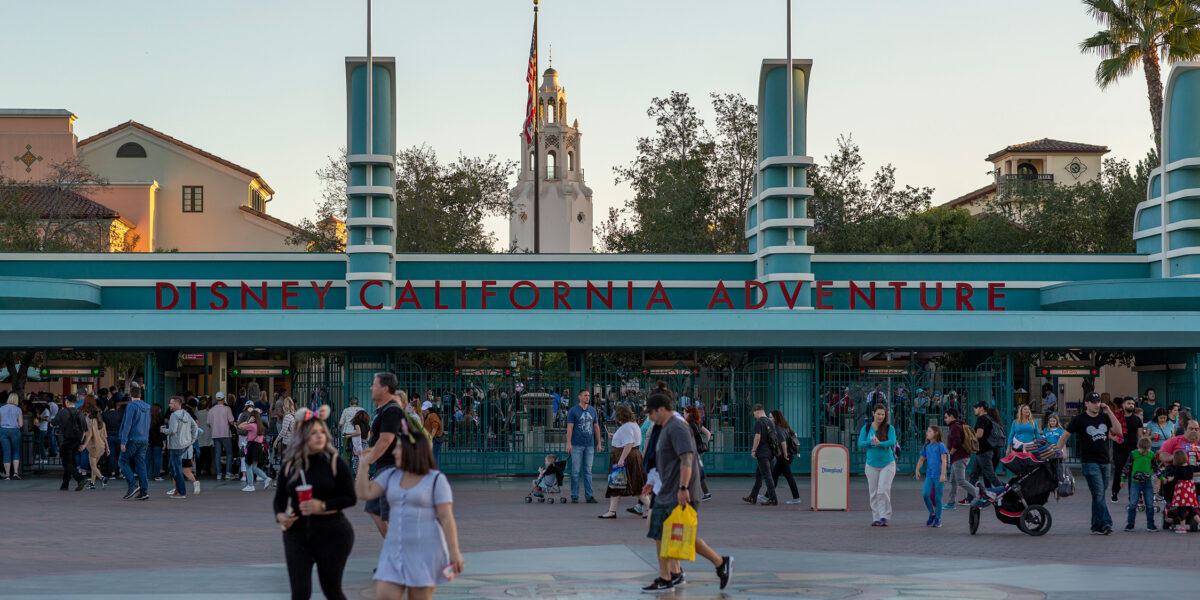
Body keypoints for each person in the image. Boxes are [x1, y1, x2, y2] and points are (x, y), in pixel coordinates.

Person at [355, 410, 464, 600]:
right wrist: (363, 466)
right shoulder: (390, 475)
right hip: (395, 547)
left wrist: (454, 552)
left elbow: (446, 518)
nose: (394, 452)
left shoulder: (435, 480)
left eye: (398, 448)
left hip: (425, 549)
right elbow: (364, 493)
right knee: (385, 595)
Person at [639, 382, 731, 593]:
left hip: (679, 491)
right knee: (661, 532)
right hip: (667, 489)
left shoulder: (677, 426)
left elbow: (687, 458)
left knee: (675, 534)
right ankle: (668, 576)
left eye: (651, 413)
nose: (649, 417)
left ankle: (718, 563)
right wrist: (653, 481)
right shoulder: (664, 427)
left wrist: (683, 488)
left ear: (661, 409)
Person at [275, 407, 357, 600]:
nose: (319, 436)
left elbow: (350, 497)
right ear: (303, 437)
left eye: (321, 432)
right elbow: (279, 501)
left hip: (332, 533)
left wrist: (323, 506)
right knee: (300, 593)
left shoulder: (334, 461)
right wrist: (281, 516)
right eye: (313, 433)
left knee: (332, 591)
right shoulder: (290, 465)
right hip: (297, 534)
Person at [1056, 391, 1123, 535]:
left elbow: (1118, 431)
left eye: (1098, 401)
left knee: (1098, 495)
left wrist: (1110, 412)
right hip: (1089, 462)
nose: (1097, 404)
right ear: (1086, 404)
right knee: (1099, 493)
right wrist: (1057, 452)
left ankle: (1095, 525)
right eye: (1093, 402)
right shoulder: (1079, 419)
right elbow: (1065, 436)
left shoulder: (1105, 417)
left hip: (1105, 461)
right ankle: (1106, 523)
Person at [362, 373, 404, 538]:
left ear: (385, 388)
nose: (372, 388)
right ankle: (394, 552)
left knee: (389, 514)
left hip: (391, 468)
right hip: (384, 468)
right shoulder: (384, 410)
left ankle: (399, 556)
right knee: (373, 507)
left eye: (375, 385)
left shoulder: (392, 410)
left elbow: (386, 440)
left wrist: (367, 462)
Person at [598, 405, 646, 519]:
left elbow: (628, 443)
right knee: (622, 484)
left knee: (629, 485)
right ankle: (612, 511)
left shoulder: (626, 427)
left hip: (625, 457)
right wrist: (615, 436)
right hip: (633, 456)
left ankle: (651, 509)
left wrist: (621, 460)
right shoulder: (633, 425)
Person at [858, 404, 897, 526]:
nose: (880, 416)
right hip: (871, 464)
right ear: (873, 413)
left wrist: (880, 443)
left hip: (887, 464)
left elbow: (892, 441)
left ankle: (884, 516)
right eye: (878, 413)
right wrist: (870, 442)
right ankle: (876, 517)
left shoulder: (889, 428)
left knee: (883, 490)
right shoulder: (867, 427)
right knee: (873, 491)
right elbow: (860, 443)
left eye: (883, 414)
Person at [565, 390, 602, 504]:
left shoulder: (592, 410)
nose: (587, 397)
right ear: (579, 396)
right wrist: (569, 443)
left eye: (588, 396)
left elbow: (596, 427)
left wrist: (599, 442)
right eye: (585, 395)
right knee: (575, 471)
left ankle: (589, 495)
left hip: (589, 445)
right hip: (577, 445)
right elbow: (570, 428)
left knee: (588, 471)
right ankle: (574, 495)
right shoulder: (573, 411)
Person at [742, 404, 779, 506]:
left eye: (754, 414)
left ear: (757, 411)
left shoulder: (759, 422)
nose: (754, 416)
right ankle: (752, 497)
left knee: (767, 476)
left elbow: (757, 437)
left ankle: (773, 499)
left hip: (762, 453)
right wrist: (774, 452)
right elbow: (774, 438)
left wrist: (753, 450)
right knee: (759, 475)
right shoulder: (770, 422)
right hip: (770, 452)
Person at [118, 386, 151, 501]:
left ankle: (132, 485)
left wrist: (123, 441)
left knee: (122, 461)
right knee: (141, 464)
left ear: (130, 395)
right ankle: (144, 490)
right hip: (144, 439)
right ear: (140, 394)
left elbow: (128, 424)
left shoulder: (131, 406)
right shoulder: (147, 407)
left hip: (132, 438)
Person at [52, 394, 88, 491]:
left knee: (66, 463)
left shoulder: (63, 412)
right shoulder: (80, 413)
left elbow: (53, 423)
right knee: (71, 463)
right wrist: (81, 442)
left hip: (65, 441)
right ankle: (65, 484)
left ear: (67, 402)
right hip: (76, 441)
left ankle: (80, 478)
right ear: (75, 402)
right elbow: (85, 429)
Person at [164, 397, 198, 498]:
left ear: (176, 404)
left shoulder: (174, 415)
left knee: (176, 468)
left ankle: (181, 491)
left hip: (176, 445)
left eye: (171, 403)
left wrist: (164, 431)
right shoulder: (186, 414)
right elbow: (195, 426)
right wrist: (193, 439)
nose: (169, 405)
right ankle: (178, 489)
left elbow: (172, 430)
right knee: (173, 467)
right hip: (185, 444)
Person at [915, 425, 948, 527]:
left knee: (938, 498)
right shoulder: (926, 446)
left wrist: (943, 475)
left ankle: (938, 518)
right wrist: (917, 470)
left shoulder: (941, 446)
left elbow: (944, 460)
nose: (927, 433)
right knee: (925, 494)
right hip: (929, 475)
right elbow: (921, 459)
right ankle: (932, 512)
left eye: (929, 431)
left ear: (936, 433)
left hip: (939, 476)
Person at [1111, 396, 1143, 504]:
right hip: (1120, 447)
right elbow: (1109, 431)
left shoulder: (1137, 419)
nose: (1131, 405)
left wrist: (1140, 448)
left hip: (1133, 448)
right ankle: (1115, 492)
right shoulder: (1116, 418)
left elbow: (1139, 435)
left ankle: (1132, 495)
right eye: (1129, 403)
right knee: (1119, 470)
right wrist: (1113, 437)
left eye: (1133, 404)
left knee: (1132, 472)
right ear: (1123, 405)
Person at [767, 409, 802, 505]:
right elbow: (795, 434)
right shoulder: (786, 427)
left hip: (784, 456)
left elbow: (783, 442)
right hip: (787, 455)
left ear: (775, 418)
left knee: (788, 476)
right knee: (775, 475)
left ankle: (796, 497)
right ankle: (767, 496)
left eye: (771, 417)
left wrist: (785, 453)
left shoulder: (778, 428)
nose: (769, 419)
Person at [1123, 436, 1157, 531]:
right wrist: (1122, 479)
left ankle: (1151, 524)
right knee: (1133, 503)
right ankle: (1130, 524)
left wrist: (1161, 477)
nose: (1144, 453)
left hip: (1147, 482)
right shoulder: (1133, 454)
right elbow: (1127, 467)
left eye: (1146, 451)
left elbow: (1155, 467)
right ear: (1138, 447)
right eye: (1142, 451)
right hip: (1135, 482)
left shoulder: (1151, 454)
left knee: (1149, 504)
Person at [966, 401, 1001, 489]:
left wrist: (969, 438)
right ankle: (970, 498)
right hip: (984, 451)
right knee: (973, 475)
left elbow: (979, 434)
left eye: (976, 407)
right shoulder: (989, 418)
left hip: (983, 452)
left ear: (981, 408)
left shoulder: (981, 419)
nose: (974, 409)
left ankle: (1006, 492)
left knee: (991, 476)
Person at [1163, 450, 1200, 533]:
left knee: (1181, 508)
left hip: (1182, 491)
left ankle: (1183, 527)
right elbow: (1198, 468)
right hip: (1190, 490)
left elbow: (1175, 479)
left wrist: (1168, 479)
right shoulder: (1191, 467)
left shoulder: (1177, 469)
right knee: (1190, 508)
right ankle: (1199, 521)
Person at [941, 409, 971, 509]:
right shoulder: (959, 425)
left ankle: (978, 495)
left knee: (960, 480)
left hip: (959, 457)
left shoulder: (954, 426)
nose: (945, 419)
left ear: (951, 416)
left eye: (946, 417)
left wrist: (951, 452)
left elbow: (957, 442)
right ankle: (951, 502)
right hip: (959, 457)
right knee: (953, 480)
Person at [239, 407, 271, 491]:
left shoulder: (252, 425)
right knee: (254, 467)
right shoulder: (260, 426)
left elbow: (240, 426)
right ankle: (266, 478)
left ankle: (250, 485)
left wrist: (248, 421)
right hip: (258, 447)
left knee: (248, 465)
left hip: (252, 446)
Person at [685, 406, 713, 502]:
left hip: (693, 450)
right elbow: (708, 433)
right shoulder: (698, 423)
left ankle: (704, 492)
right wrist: (705, 443)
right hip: (699, 450)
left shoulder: (690, 424)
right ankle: (705, 492)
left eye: (684, 412)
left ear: (689, 413)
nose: (683, 413)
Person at [207, 392, 236, 480]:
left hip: (215, 434)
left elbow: (208, 423)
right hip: (225, 433)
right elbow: (231, 421)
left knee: (217, 454)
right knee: (229, 453)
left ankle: (219, 473)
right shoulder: (227, 409)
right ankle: (228, 473)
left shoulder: (211, 410)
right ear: (223, 399)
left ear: (216, 399)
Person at [82, 403, 109, 489]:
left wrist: (84, 445)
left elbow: (89, 435)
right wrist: (108, 448)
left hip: (93, 446)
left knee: (93, 466)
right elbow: (104, 437)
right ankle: (92, 483)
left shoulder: (91, 422)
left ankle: (102, 478)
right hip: (102, 446)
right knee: (95, 466)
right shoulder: (102, 423)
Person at [0, 393, 23, 480]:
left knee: (6, 452)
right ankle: (16, 473)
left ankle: (7, 475)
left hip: (3, 431)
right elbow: (20, 424)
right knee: (16, 451)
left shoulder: (1, 408)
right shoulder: (18, 410)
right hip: (15, 431)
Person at [102, 398, 124, 479]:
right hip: (118, 435)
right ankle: (121, 471)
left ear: (107, 406)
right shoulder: (120, 414)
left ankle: (113, 472)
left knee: (111, 455)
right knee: (120, 454)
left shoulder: (105, 414)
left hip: (108, 436)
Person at [148, 404, 166, 481]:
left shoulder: (147, 418)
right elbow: (163, 432)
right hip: (158, 441)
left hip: (148, 441)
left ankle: (145, 475)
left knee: (146, 459)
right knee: (157, 458)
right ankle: (157, 475)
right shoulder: (161, 419)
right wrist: (164, 442)